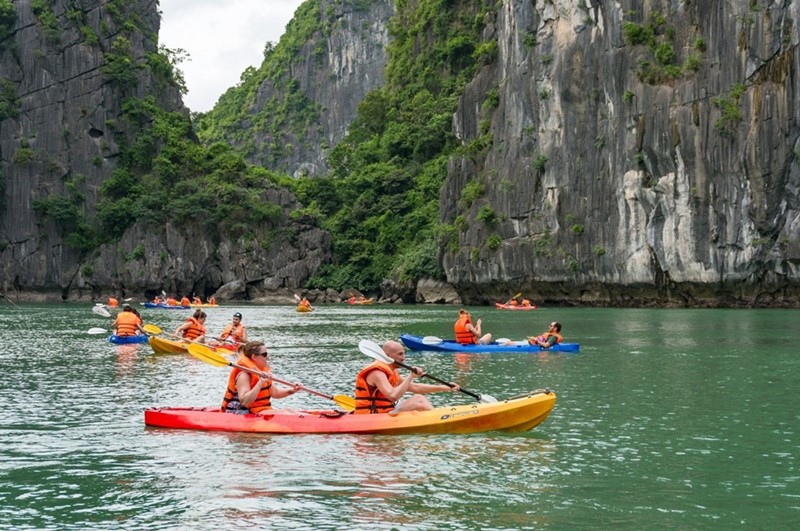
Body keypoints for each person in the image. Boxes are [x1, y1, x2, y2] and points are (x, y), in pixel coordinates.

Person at [354, 340, 459, 415]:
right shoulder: (377, 372)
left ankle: (435, 416)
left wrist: (446, 387)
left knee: (419, 397)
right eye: (400, 354)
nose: (403, 358)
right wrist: (410, 377)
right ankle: (438, 418)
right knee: (418, 400)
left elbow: (415, 388)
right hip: (373, 415)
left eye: (404, 354)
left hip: (386, 411)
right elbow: (393, 396)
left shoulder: (392, 371)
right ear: (388, 355)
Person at [220, 341, 302, 414]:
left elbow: (275, 393)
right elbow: (245, 402)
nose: (268, 357)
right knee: (285, 413)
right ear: (254, 357)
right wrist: (260, 383)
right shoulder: (244, 376)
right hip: (244, 411)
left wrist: (293, 390)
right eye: (264, 354)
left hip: (261, 409)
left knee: (290, 410)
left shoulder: (262, 372)